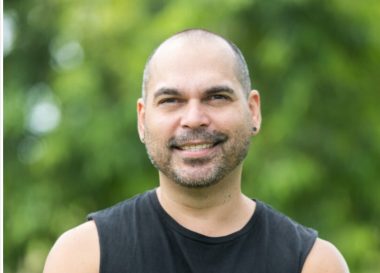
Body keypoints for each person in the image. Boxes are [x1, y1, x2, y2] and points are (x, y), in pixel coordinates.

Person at [43, 29, 349, 273]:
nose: (193, 119)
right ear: (142, 119)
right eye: (171, 100)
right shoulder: (83, 258)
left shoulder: (314, 264)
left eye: (216, 97)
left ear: (252, 111)